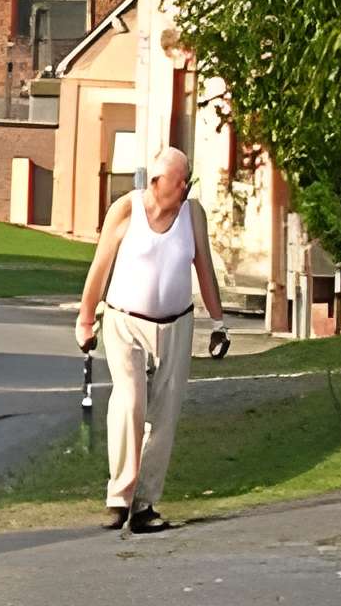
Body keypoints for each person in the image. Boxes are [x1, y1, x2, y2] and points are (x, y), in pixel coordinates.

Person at [72, 146, 225, 533]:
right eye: (180, 181)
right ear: (158, 183)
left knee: (165, 414)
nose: (186, 187)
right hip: (124, 321)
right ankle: (119, 498)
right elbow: (100, 266)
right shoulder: (125, 210)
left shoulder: (193, 215)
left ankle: (144, 505)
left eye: (188, 179)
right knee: (130, 403)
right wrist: (85, 320)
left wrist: (219, 322)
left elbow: (203, 267)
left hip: (177, 324)